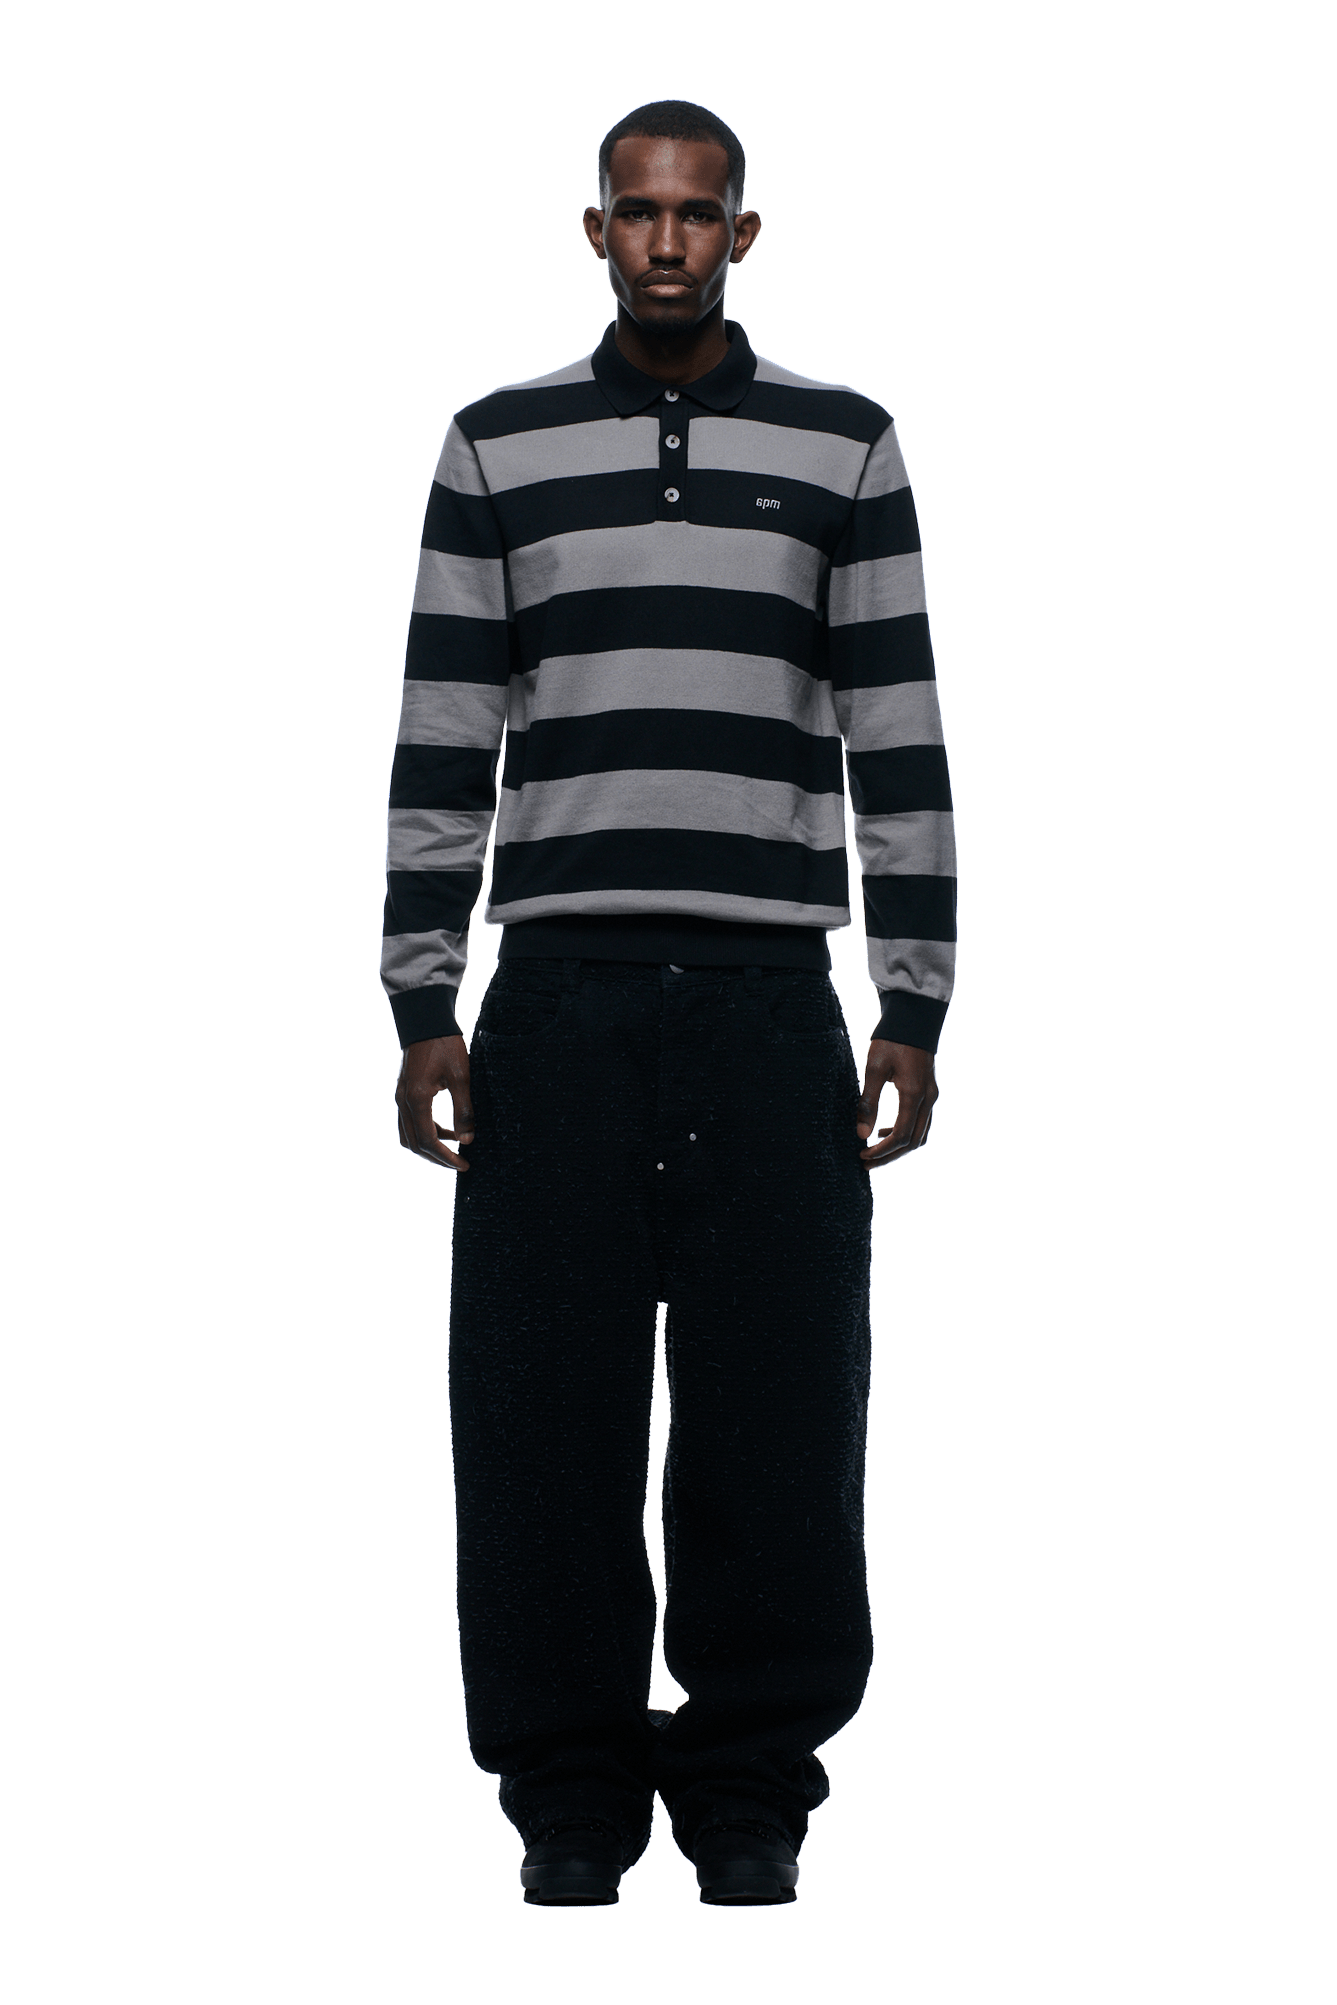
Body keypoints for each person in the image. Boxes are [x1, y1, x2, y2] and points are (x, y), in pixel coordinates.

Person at [380, 99, 957, 1907]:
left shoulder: (846, 443)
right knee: (536, 1411)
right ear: (596, 230)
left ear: (742, 234)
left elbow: (897, 732)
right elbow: (444, 733)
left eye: (697, 213)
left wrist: (915, 992)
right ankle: (567, 1790)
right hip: (555, 996)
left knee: (778, 1407)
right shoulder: (496, 443)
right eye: (637, 211)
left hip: (771, 999)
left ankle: (750, 1787)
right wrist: (420, 993)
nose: (666, 241)